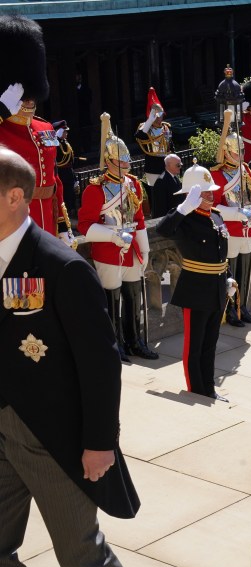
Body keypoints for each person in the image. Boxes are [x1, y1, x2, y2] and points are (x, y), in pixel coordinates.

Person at [0, 147, 151, 567]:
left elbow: (101, 361)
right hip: (1, 433)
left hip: (53, 440)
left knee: (79, 553)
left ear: (15, 197)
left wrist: (100, 441)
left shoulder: (61, 266)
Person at [77, 112, 159, 362]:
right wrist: (113, 237)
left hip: (132, 249)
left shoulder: (133, 184)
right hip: (109, 252)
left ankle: (135, 341)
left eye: (127, 161)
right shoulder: (95, 189)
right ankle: (116, 344)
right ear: (109, 161)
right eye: (121, 162)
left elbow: (140, 219)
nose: (127, 165)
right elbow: (85, 226)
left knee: (134, 296)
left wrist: (144, 249)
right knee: (112, 300)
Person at [157, 161, 234, 401]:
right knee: (195, 345)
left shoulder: (217, 216)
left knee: (211, 343)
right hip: (196, 288)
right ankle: (196, 390)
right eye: (204, 192)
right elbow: (162, 230)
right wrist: (182, 209)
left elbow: (220, 252)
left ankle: (209, 389)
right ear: (191, 195)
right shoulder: (184, 220)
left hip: (217, 287)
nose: (211, 195)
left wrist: (228, 278)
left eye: (211, 191)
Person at [0, 15, 76, 246]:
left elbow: (55, 182)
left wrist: (63, 225)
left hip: (47, 226)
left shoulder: (44, 128)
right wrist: (2, 109)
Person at [211, 110, 251, 327]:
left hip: (247, 230)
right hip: (230, 231)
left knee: (245, 272)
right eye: (236, 151)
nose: (241, 155)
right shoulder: (217, 175)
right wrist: (235, 214)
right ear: (226, 152)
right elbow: (213, 206)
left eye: (241, 150)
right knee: (231, 275)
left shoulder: (246, 171)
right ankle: (231, 310)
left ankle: (244, 307)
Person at [134, 87, 174, 190]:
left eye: (160, 115)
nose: (158, 118)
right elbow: (139, 136)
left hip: (166, 165)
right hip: (153, 166)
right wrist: (149, 121)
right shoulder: (146, 128)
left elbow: (170, 147)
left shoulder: (166, 128)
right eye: (155, 116)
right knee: (155, 192)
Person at [52, 119, 79, 218]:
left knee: (71, 196)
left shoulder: (65, 143)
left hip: (68, 173)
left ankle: (71, 217)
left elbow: (70, 162)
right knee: (63, 197)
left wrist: (74, 177)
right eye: (64, 131)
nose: (66, 133)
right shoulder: (55, 144)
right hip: (60, 174)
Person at [151, 153, 184, 220]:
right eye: (178, 165)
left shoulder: (173, 177)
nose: (180, 167)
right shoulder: (161, 181)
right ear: (169, 165)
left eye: (180, 165)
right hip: (169, 219)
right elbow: (160, 206)